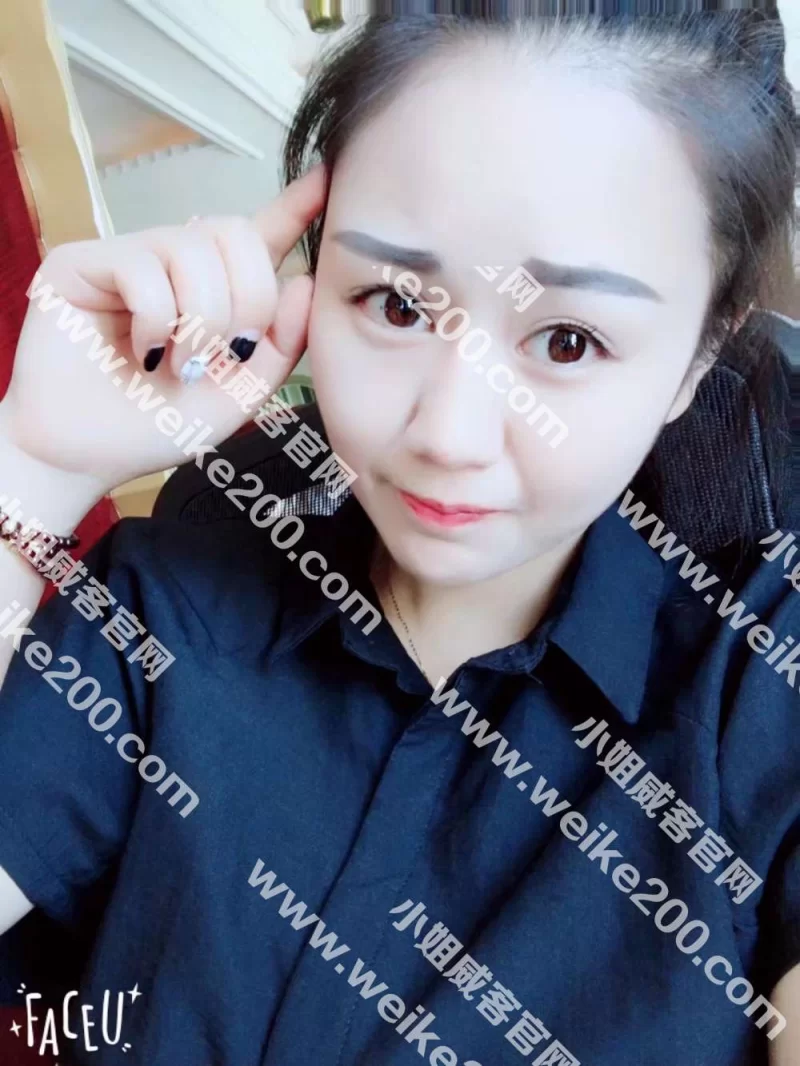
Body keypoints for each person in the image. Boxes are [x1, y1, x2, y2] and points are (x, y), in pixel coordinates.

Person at [0, 5, 797, 1065]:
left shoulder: (758, 688)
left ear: (696, 359)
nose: (445, 434)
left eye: (567, 340)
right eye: (394, 304)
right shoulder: (163, 611)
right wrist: (34, 467)